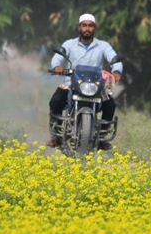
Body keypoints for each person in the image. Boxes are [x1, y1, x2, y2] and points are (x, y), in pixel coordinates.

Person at [47, 13, 122, 149]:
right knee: (56, 101)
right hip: (71, 84)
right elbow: (57, 58)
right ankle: (56, 136)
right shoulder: (69, 44)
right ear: (79, 27)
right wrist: (57, 67)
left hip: (96, 86)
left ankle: (102, 137)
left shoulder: (103, 46)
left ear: (94, 28)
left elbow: (114, 58)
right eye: (84, 25)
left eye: (90, 26)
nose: (87, 28)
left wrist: (116, 71)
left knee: (110, 104)